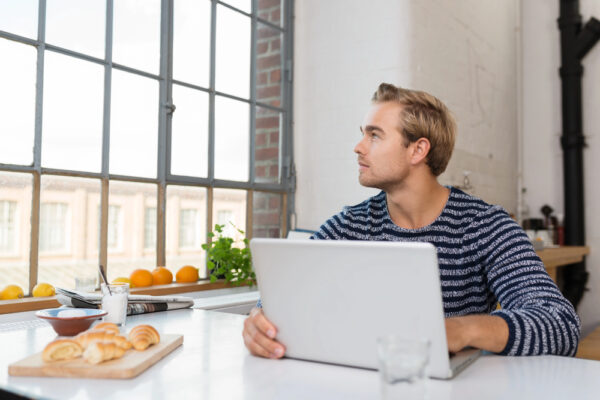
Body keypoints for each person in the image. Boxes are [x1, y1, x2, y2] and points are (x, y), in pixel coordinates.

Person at [242, 83, 580, 359]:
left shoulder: (486, 226)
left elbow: (561, 325)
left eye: (374, 135)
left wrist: (460, 330)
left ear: (417, 150)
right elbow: (278, 304)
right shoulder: (348, 226)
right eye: (363, 134)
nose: (358, 147)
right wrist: (259, 323)